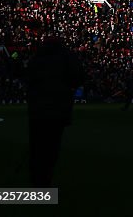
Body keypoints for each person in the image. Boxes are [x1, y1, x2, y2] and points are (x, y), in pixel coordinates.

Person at [25, 35, 85, 188]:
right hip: (57, 109)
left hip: (37, 109)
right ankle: (45, 181)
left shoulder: (36, 58)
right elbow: (77, 77)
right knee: (51, 147)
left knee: (36, 146)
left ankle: (36, 181)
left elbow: (27, 78)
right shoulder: (65, 57)